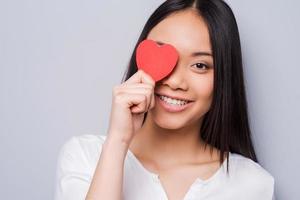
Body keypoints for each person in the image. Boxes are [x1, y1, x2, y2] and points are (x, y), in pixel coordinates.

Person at [54, 0, 275, 199]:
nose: (176, 81)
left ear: (224, 77)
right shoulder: (85, 157)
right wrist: (118, 141)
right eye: (163, 55)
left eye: (200, 65)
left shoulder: (253, 185)